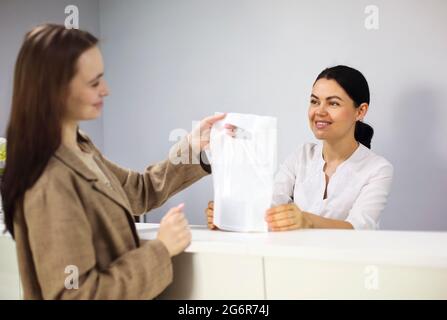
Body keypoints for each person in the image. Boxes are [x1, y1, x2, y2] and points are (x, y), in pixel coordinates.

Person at [1, 24, 224, 299]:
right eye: (94, 83)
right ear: (54, 91)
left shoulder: (80, 148)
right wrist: (161, 248)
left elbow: (138, 190)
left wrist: (191, 148)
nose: (105, 90)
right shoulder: (49, 181)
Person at [206, 65, 393, 231]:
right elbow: (270, 203)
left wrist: (307, 220)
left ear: (360, 111)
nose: (319, 111)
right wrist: (228, 214)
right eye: (314, 101)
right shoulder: (302, 156)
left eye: (333, 103)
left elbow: (359, 227)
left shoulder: (377, 169)